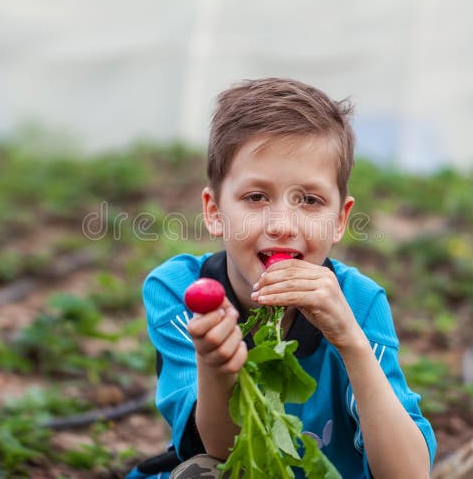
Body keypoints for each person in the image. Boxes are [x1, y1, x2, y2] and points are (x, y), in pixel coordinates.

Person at [126, 78, 436, 478]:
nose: (283, 224)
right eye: (256, 197)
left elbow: (409, 474)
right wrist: (214, 363)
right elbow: (221, 451)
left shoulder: (360, 302)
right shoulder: (182, 290)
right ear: (215, 211)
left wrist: (351, 342)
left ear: (340, 219)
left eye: (309, 200)